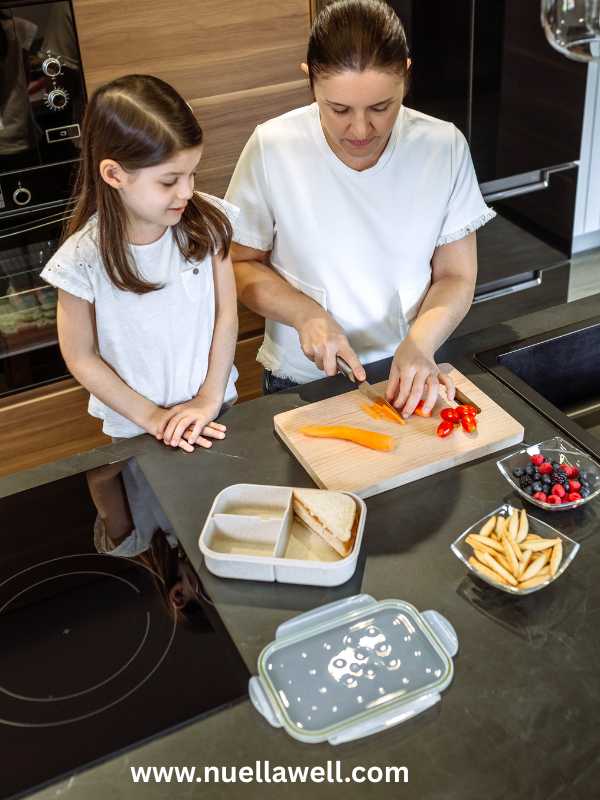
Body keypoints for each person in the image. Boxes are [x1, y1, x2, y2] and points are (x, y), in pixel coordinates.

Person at [226, 0, 495, 417]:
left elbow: (456, 275)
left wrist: (419, 344)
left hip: (407, 374)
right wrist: (305, 314)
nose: (360, 129)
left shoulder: (443, 147)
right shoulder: (273, 146)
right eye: (338, 109)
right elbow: (240, 264)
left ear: (405, 74)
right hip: (298, 382)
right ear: (309, 79)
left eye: (380, 107)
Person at [41, 74, 238, 451]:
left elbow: (226, 315)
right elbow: (80, 356)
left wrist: (210, 398)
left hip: (217, 411)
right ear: (114, 174)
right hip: (135, 429)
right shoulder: (82, 259)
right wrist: (152, 417)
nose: (187, 191)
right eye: (169, 181)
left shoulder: (206, 224)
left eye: (192, 173)